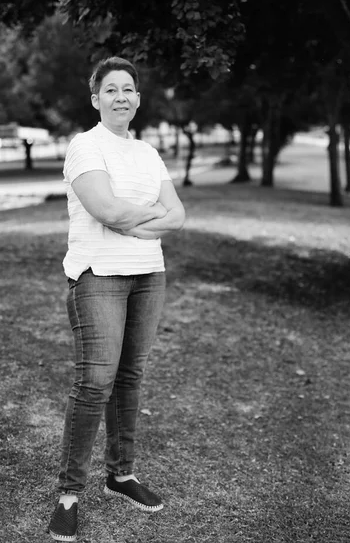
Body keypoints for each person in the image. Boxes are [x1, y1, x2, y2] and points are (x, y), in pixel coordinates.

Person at [48, 56, 185, 542]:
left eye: (128, 89)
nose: (121, 97)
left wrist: (133, 218)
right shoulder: (84, 147)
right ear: (95, 98)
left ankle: (121, 475)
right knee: (94, 384)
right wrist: (148, 215)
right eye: (111, 89)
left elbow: (179, 214)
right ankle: (69, 495)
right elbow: (104, 211)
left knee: (130, 377)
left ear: (138, 99)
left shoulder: (148, 153)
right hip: (99, 275)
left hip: (149, 274)